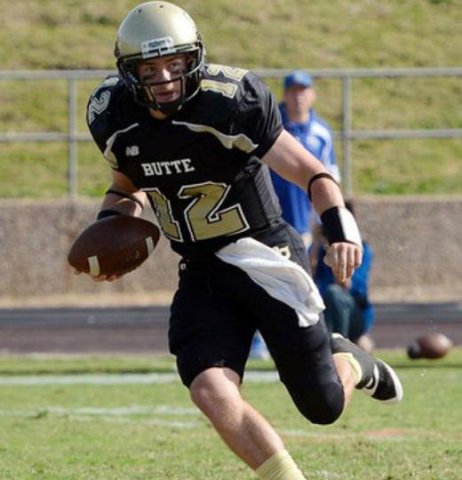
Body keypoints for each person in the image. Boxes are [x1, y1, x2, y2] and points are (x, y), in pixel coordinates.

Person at [82, 2, 403, 478]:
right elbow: (127, 187)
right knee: (208, 387)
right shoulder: (115, 116)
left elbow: (311, 172)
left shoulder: (231, 102)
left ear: (194, 58)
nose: (165, 78)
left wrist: (340, 230)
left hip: (265, 256)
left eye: (174, 63)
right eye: (149, 69)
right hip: (202, 268)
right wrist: (112, 226)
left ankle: (352, 362)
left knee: (323, 406)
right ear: (129, 72)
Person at [270, 70, 340, 246]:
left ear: (312, 95)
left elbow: (330, 173)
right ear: (285, 95)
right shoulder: (272, 125)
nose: (298, 97)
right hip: (272, 217)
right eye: (293, 91)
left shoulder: (321, 132)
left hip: (307, 217)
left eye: (302, 91)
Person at [312, 200, 376, 352]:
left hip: (353, 312)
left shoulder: (361, 250)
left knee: (334, 293)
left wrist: (338, 255)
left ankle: (339, 347)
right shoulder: (321, 250)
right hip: (326, 309)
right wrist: (316, 244)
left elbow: (346, 285)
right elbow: (309, 280)